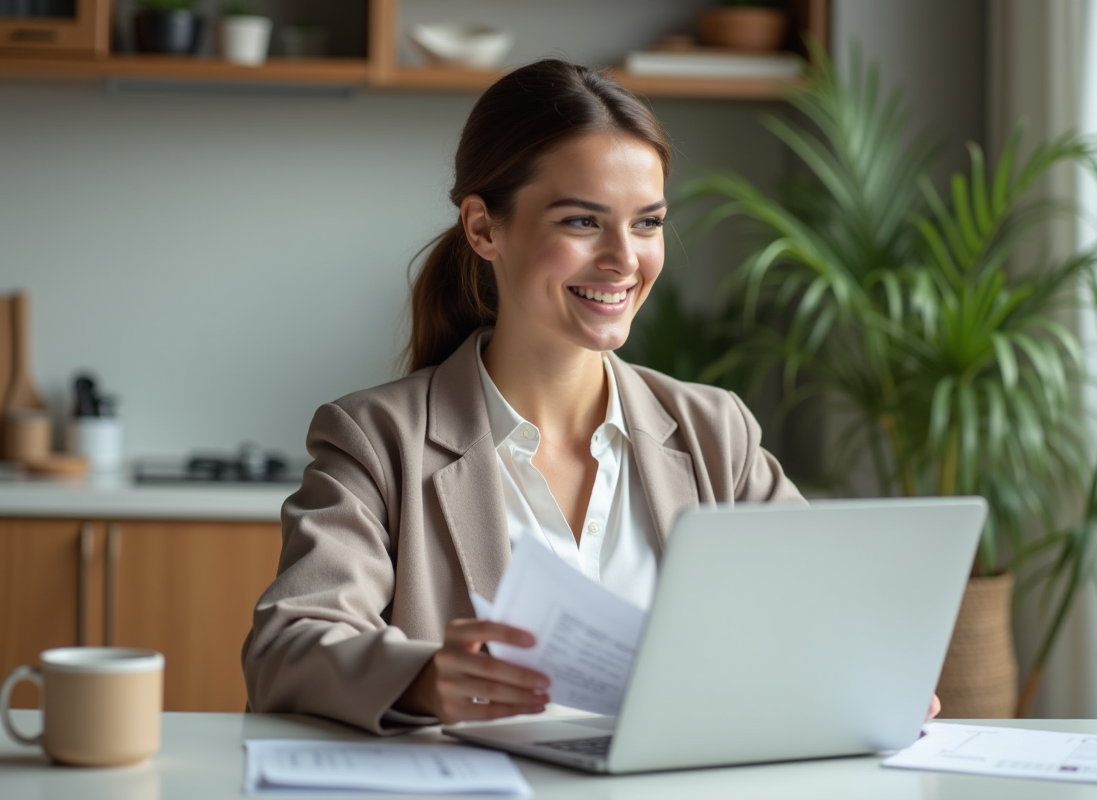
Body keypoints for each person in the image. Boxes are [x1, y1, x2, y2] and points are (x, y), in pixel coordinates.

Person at [241, 58, 810, 735]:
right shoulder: (377, 440)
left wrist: (861, 679)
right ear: (484, 229)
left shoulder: (716, 433)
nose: (625, 259)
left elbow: (815, 616)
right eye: (581, 222)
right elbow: (286, 647)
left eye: (647, 223)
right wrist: (421, 679)